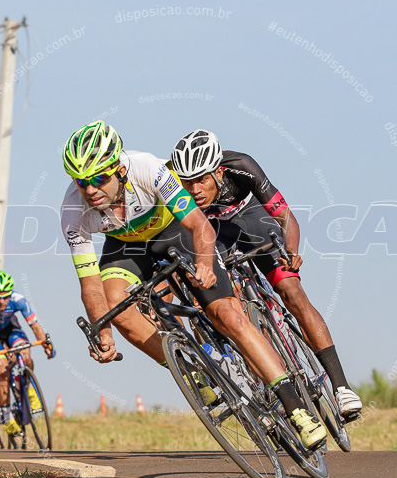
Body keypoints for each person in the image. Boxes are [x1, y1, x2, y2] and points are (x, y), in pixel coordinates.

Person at [60, 121, 327, 449]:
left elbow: (199, 224)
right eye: (81, 182)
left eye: (99, 178)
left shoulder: (150, 169)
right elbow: (90, 285)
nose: (90, 190)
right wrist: (103, 333)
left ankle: (296, 408)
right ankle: (193, 371)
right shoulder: (73, 211)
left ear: (118, 168)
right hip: (126, 246)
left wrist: (204, 263)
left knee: (227, 313)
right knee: (116, 308)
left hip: (175, 229)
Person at [171, 129, 362, 419]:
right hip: (211, 229)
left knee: (291, 291)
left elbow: (286, 217)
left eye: (201, 180)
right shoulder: (170, 183)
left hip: (250, 216)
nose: (194, 189)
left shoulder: (242, 166)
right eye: (187, 183)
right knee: (211, 299)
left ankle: (341, 387)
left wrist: (291, 250)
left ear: (219, 172)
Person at [0, 269, 54, 436]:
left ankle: (29, 386)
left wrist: (46, 344)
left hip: (11, 330)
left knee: (25, 351)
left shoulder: (20, 300)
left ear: (11, 294)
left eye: (5, 296)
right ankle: (7, 417)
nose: (2, 301)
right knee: (2, 369)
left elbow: (35, 326)